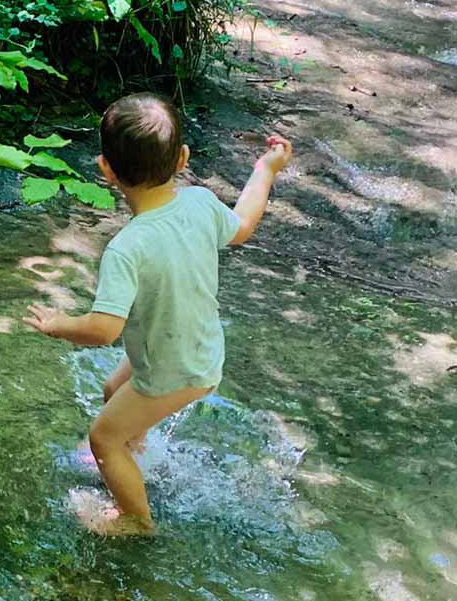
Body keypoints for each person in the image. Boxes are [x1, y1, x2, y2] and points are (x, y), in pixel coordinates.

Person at [24, 94, 291, 534]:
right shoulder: (201, 202)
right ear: (183, 158)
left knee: (102, 437)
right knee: (114, 386)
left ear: (106, 169)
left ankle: (136, 520)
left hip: (173, 365)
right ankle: (136, 449)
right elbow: (243, 224)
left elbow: (104, 330)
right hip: (197, 346)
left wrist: (57, 325)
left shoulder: (128, 247)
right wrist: (264, 169)